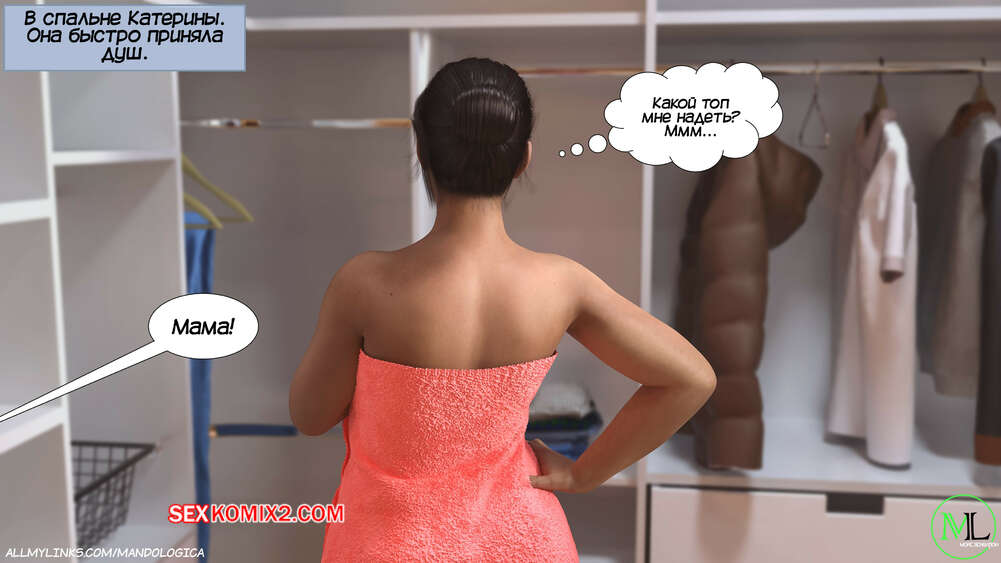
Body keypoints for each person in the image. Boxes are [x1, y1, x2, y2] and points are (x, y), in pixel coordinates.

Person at [289, 57, 715, 562]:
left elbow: (310, 416)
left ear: (421, 148)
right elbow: (691, 378)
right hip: (524, 543)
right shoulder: (561, 285)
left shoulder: (364, 284)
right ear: (523, 159)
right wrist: (585, 472)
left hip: (387, 545)